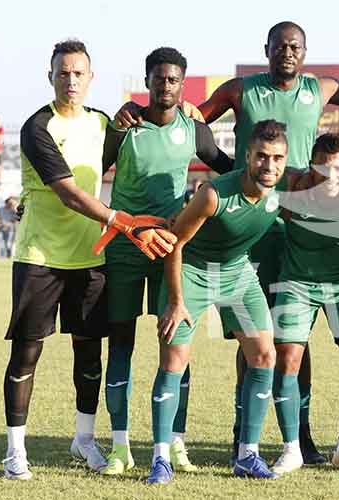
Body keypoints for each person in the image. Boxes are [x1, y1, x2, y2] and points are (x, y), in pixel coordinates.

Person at [115, 21, 339, 464]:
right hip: (254, 221)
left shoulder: (320, 88)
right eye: (280, 46)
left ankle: (302, 437)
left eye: (295, 46)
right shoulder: (240, 89)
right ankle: (244, 434)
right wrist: (139, 112)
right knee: (254, 336)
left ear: (305, 51)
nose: (288, 52)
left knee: (294, 339)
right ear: (268, 49)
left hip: (299, 222)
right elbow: (186, 117)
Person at [1, 39, 174, 481]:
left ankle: (84, 439)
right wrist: (123, 221)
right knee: (27, 353)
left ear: (91, 78)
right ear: (50, 76)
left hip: (90, 258)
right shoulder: (36, 126)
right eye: (63, 72)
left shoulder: (102, 123)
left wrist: (178, 111)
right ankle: (15, 451)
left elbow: (148, 123)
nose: (71, 80)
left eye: (79, 73)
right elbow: (69, 193)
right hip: (40, 257)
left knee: (90, 354)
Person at [99, 47, 234, 477]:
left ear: (182, 84)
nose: (166, 86)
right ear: (147, 81)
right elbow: (87, 173)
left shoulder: (194, 130)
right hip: (124, 249)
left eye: (173, 79)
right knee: (120, 346)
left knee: (177, 349)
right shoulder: (124, 126)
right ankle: (120, 446)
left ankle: (176, 443)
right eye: (158, 78)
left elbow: (228, 168)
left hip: (170, 250)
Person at [152, 119, 291, 483]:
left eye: (277, 158)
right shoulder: (214, 195)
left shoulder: (284, 190)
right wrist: (176, 301)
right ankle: (160, 459)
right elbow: (175, 244)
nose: (269, 165)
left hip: (236, 273)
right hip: (192, 271)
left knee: (264, 355)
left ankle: (247, 455)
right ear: (247, 156)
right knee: (174, 360)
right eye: (262, 156)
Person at [268, 134, 339, 474]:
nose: (333, 177)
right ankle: (292, 448)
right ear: (312, 167)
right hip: (298, 281)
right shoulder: (290, 186)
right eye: (325, 169)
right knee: (287, 359)